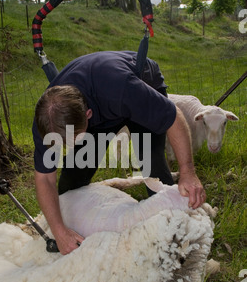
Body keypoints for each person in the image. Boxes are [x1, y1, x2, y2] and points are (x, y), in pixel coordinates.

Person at [32, 51, 206, 255]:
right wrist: (59, 231)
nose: (66, 146)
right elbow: (44, 178)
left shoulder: (122, 89)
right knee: (69, 184)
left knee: (153, 168)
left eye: (71, 140)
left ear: (89, 116)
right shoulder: (48, 120)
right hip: (96, 107)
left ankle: (177, 238)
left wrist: (187, 172)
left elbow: (173, 117)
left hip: (138, 87)